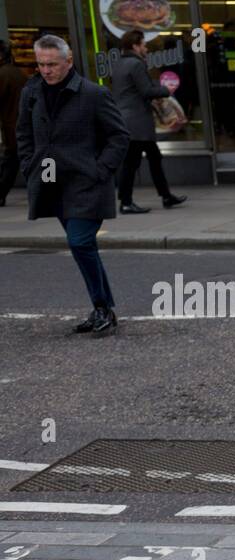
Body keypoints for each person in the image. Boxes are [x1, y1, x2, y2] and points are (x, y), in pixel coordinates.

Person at [16, 35, 129, 335]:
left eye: (52, 64)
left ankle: (102, 308)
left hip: (87, 183)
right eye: (41, 64)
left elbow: (119, 137)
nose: (46, 70)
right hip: (51, 182)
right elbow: (23, 133)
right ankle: (103, 308)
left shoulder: (93, 94)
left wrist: (100, 169)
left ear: (69, 61)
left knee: (79, 242)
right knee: (84, 246)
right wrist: (29, 166)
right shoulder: (32, 93)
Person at [111, 31, 186, 214]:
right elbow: (145, 91)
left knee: (153, 157)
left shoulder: (119, 63)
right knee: (131, 163)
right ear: (135, 46)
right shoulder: (136, 64)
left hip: (128, 119)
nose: (145, 48)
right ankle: (126, 202)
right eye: (143, 44)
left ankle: (166, 196)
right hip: (136, 122)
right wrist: (165, 90)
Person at [0, 40, 27, 207]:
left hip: (13, 126)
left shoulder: (3, 74)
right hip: (21, 125)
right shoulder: (17, 72)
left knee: (10, 163)